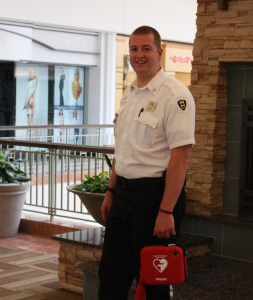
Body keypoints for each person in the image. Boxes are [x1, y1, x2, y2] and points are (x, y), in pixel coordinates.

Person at [98, 25, 195, 300]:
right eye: (134, 49)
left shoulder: (175, 96)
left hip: (154, 199)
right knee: (111, 276)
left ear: (159, 52)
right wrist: (110, 190)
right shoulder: (129, 93)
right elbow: (123, 148)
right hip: (123, 196)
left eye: (146, 48)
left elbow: (181, 157)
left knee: (154, 281)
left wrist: (166, 211)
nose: (139, 55)